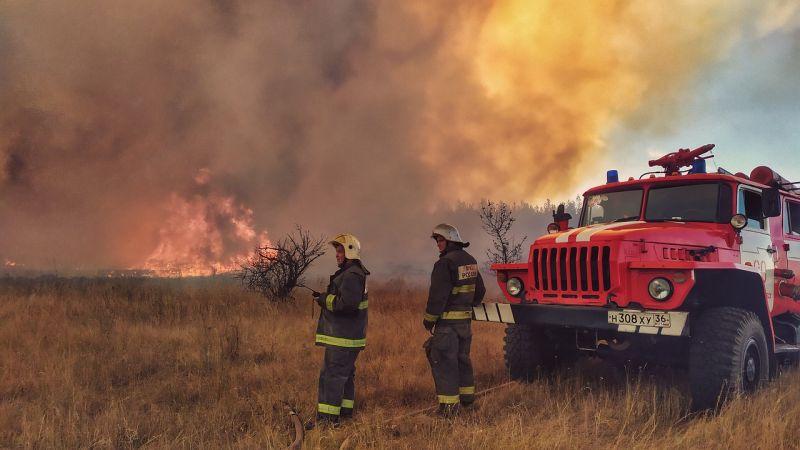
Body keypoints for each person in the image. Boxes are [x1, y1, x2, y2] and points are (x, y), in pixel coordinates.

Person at [423, 223, 486, 417]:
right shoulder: (470, 260)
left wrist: (429, 320)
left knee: (444, 363)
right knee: (462, 360)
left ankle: (448, 409)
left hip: (447, 326)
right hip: (465, 325)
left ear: (451, 240)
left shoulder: (444, 263)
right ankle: (467, 401)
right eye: (437, 240)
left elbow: (437, 297)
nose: (438, 244)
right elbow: (480, 290)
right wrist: (468, 304)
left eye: (441, 240)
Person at [310, 233, 369, 428]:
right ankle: (344, 413)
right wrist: (325, 297)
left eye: (341, 250)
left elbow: (347, 305)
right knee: (345, 375)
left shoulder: (351, 275)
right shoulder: (353, 273)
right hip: (348, 336)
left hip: (343, 338)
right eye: (336, 250)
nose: (337, 254)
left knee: (332, 376)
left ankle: (327, 422)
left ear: (351, 251)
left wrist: (324, 299)